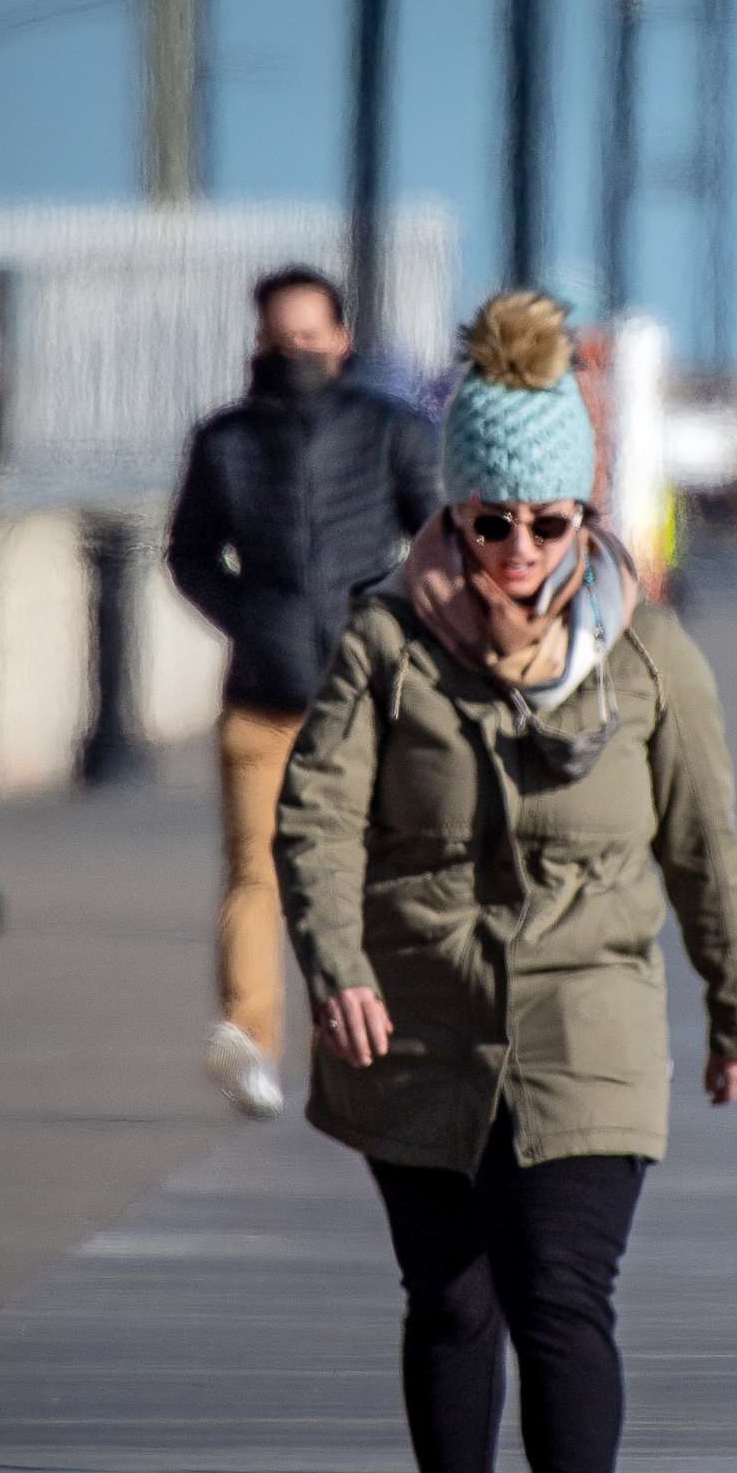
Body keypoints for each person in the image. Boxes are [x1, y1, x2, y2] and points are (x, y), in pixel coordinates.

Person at [276, 290, 737, 1473]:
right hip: (418, 1016)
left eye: (545, 522)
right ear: (455, 511)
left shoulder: (652, 656)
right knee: (449, 1296)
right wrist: (333, 965)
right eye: (489, 520)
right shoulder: (385, 645)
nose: (515, 549)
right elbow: (314, 818)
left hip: (591, 1013)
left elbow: (702, 842)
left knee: (562, 1286)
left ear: (583, 515)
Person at [166, 266, 439, 1120]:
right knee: (257, 873)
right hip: (265, 692)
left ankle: (345, 1044)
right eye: (283, 341)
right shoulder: (225, 440)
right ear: (259, 342)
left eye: (311, 339)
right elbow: (189, 553)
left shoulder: (391, 429)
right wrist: (249, 617)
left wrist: (387, 622)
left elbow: (433, 537)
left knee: (361, 874)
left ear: (342, 339)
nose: (297, 353)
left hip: (367, 694)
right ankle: (251, 1040)